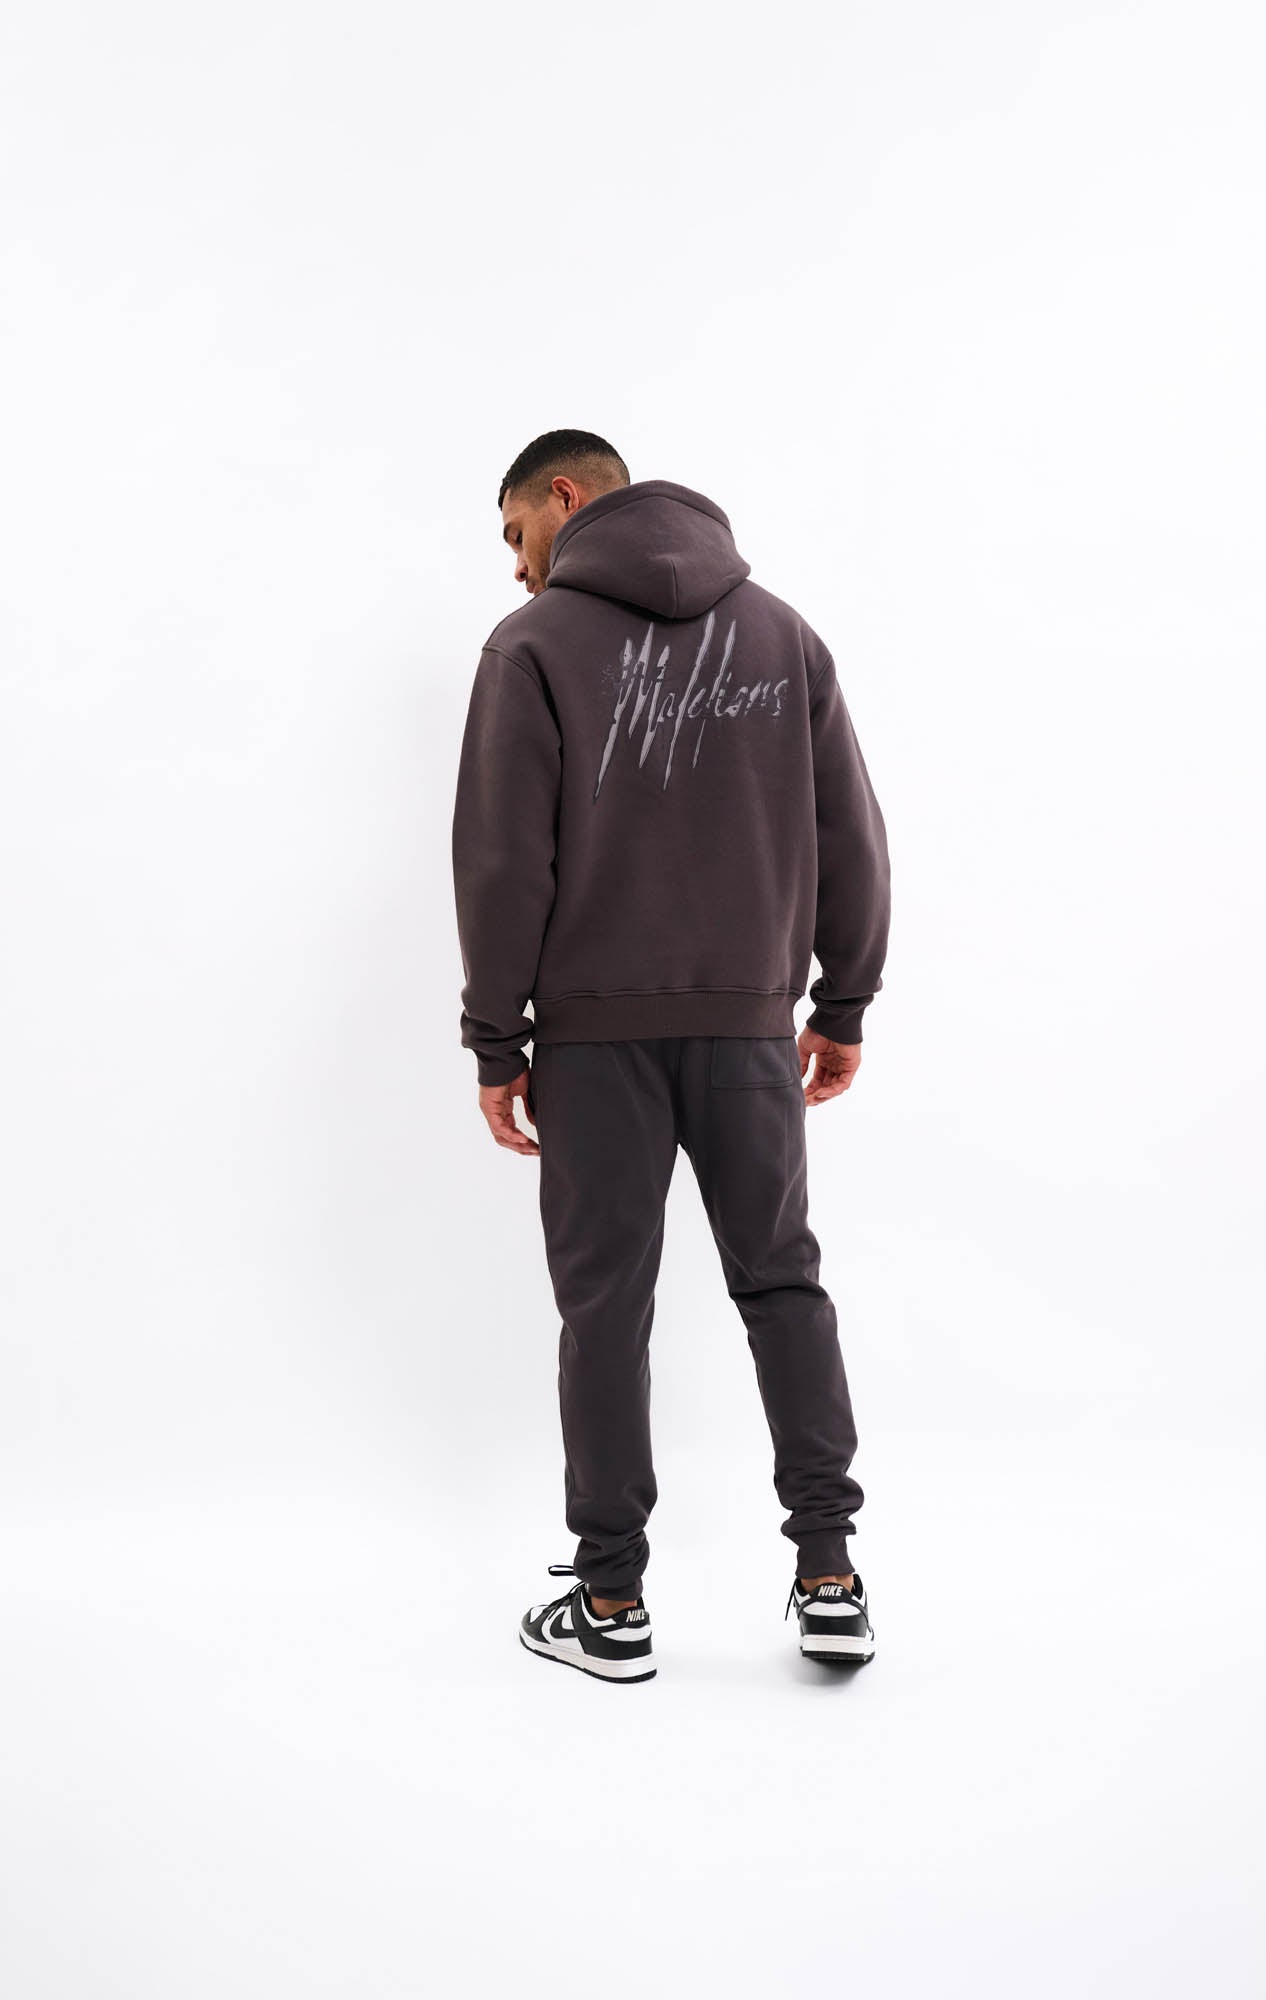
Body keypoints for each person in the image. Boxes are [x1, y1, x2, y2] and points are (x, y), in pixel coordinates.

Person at [451, 429, 891, 1682]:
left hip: (594, 1044)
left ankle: (611, 1602)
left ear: (565, 495)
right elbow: (851, 831)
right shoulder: (782, 635)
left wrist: (496, 1037)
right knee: (783, 1286)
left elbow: (501, 860)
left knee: (605, 1311)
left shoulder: (531, 646)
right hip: (749, 1029)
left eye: (516, 532)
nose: (517, 565)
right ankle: (830, 1575)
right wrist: (841, 1002)